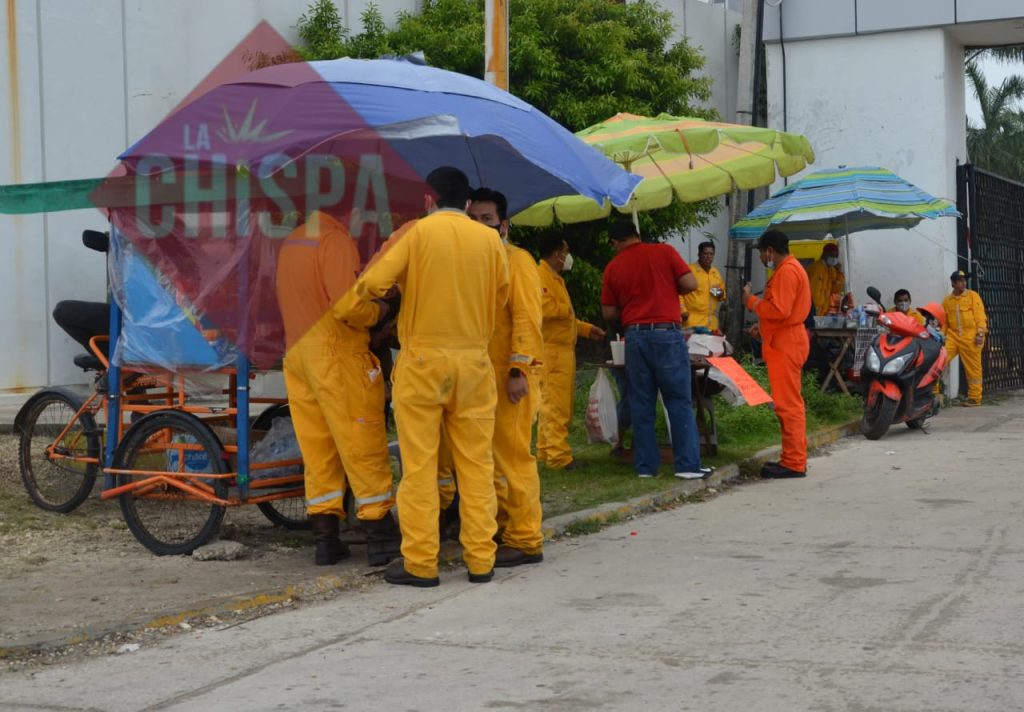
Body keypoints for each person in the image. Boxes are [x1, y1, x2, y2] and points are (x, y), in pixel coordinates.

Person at [344, 166, 510, 587]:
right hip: (474, 364)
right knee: (476, 465)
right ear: (468, 204)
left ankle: (420, 563)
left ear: (427, 199)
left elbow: (373, 284)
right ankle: (480, 560)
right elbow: (502, 292)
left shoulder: (416, 234)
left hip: (422, 364)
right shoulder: (490, 239)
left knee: (419, 466)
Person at [276, 210, 402, 568]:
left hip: (298, 356)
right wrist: (378, 310)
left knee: (319, 449)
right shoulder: (333, 240)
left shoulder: (293, 241)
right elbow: (346, 306)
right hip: (337, 354)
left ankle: (326, 540)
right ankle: (380, 536)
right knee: (361, 440)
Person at [468, 188, 545, 567]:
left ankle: (526, 537)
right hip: (480, 376)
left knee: (514, 456)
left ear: (504, 224)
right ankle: (501, 525)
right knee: (488, 458)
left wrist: (518, 369)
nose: (480, 226)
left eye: (487, 219)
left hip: (511, 375)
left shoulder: (518, 261)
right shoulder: (476, 262)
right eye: (473, 219)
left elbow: (528, 319)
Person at [600, 220, 711, 480]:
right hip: (666, 334)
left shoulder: (613, 267)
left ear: (615, 242)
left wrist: (629, 306)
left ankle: (646, 468)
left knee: (641, 403)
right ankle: (687, 466)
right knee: (678, 400)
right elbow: (690, 283)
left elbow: (608, 312)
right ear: (637, 235)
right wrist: (669, 289)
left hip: (635, 337)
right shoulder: (665, 251)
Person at [743, 230, 812, 479]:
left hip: (787, 343)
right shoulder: (788, 270)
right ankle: (792, 458)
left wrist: (751, 302)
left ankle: (794, 462)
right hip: (786, 339)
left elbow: (780, 310)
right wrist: (761, 326)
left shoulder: (787, 271)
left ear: (770, 251)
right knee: (788, 403)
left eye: (762, 253)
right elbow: (783, 312)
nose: (762, 258)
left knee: (788, 405)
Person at [536, 235, 606, 471]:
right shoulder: (540, 275)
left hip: (561, 350)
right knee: (556, 406)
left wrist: (586, 330)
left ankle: (546, 451)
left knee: (551, 405)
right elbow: (543, 308)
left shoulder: (555, 278)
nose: (567, 257)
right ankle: (559, 457)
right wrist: (566, 309)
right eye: (565, 252)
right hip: (552, 351)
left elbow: (566, 320)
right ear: (557, 253)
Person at [942, 270, 988, 407]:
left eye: (964, 280)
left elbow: (980, 317)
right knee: (939, 359)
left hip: (971, 337)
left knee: (973, 369)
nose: (963, 283)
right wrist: (941, 337)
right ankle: (934, 392)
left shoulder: (973, 296)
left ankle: (975, 398)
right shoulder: (946, 301)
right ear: (953, 283)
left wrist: (980, 334)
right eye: (960, 280)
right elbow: (944, 322)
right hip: (953, 336)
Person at [682, 241, 726, 332]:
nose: (708, 256)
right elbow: (678, 293)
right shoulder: (689, 271)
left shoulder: (715, 272)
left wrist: (719, 293)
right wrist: (683, 311)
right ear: (699, 254)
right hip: (693, 322)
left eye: (711, 254)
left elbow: (723, 294)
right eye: (705, 253)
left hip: (712, 324)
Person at [806, 242, 845, 316]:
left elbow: (835, 290)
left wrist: (839, 273)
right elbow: (814, 295)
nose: (834, 258)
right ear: (824, 254)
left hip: (823, 311)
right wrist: (816, 311)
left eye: (836, 256)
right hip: (814, 311)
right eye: (832, 255)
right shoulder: (817, 269)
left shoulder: (831, 269)